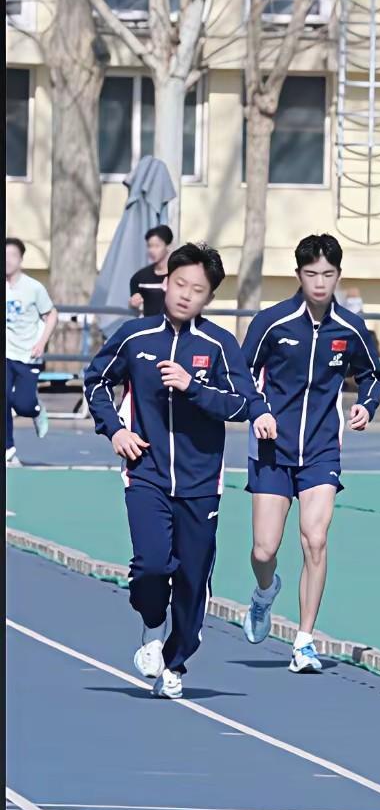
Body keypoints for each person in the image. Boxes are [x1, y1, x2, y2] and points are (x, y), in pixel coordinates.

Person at [84, 242, 273, 699]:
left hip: (201, 483)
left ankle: (176, 661)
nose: (186, 294)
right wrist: (115, 431)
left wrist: (194, 388)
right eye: (180, 283)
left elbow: (243, 403)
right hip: (145, 472)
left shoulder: (220, 344)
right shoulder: (135, 337)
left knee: (191, 579)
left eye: (198, 289)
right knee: (151, 564)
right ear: (165, 283)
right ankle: (152, 625)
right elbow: (96, 381)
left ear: (210, 297)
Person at [241, 233, 380, 673]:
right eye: (311, 274)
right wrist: (259, 410)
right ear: (298, 275)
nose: (320, 283)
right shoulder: (272, 322)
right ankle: (265, 592)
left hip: (322, 451)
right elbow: (242, 374)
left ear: (338, 275)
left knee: (315, 540)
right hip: (272, 449)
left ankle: (304, 640)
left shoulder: (351, 328)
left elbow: (374, 376)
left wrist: (367, 405)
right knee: (264, 550)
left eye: (327, 274)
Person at [6, 236, 58, 465]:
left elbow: (51, 315)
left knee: (23, 404)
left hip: (28, 354)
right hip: (6, 353)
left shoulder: (34, 288)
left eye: (12, 256)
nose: (7, 260)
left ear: (20, 260)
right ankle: (8, 449)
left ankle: (36, 410)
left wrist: (42, 342)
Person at [129, 225, 173, 317]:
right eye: (149, 246)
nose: (152, 250)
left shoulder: (179, 275)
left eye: (157, 246)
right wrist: (133, 304)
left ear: (168, 246)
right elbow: (134, 307)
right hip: (149, 324)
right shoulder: (139, 278)